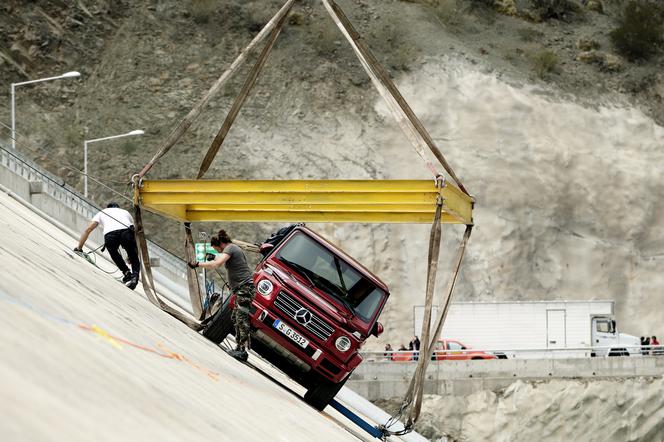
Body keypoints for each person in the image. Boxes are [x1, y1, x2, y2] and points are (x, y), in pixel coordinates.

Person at [189, 229, 254, 361]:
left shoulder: (230, 248)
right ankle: (239, 348)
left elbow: (216, 264)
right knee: (236, 318)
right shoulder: (232, 248)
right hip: (241, 289)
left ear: (221, 244)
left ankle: (242, 351)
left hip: (245, 289)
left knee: (241, 318)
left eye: (217, 250)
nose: (218, 252)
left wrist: (198, 264)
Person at [75, 202, 140, 290]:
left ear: (108, 207)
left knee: (113, 253)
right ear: (118, 207)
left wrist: (79, 248)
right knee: (134, 257)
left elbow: (88, 229)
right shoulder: (125, 212)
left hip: (110, 235)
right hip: (126, 233)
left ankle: (126, 273)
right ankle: (134, 278)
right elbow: (135, 230)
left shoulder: (103, 212)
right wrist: (133, 252)